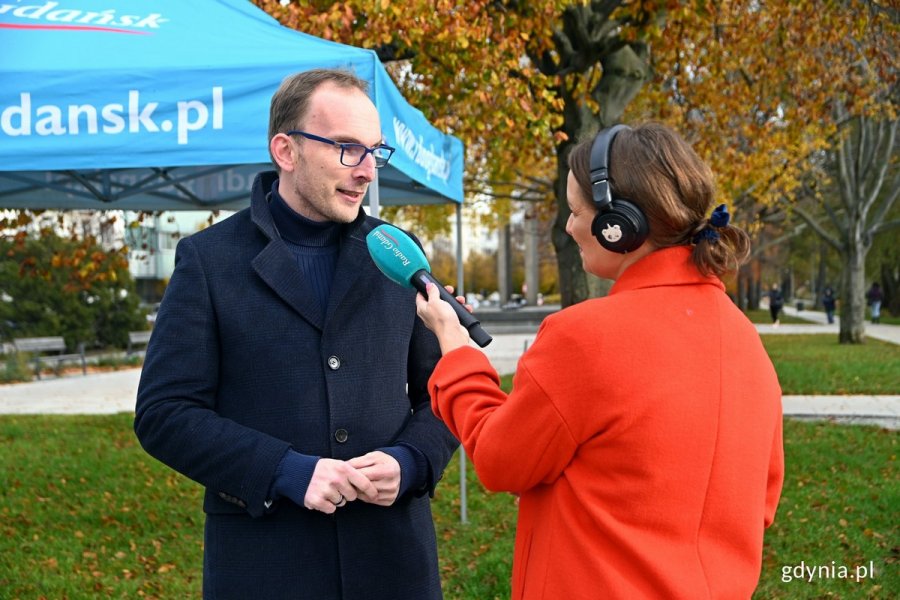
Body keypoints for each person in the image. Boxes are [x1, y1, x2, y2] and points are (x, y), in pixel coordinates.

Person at [416, 123, 784, 599]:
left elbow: (500, 460)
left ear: (621, 224)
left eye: (575, 212)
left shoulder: (585, 336)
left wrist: (453, 344)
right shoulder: (745, 339)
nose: (568, 227)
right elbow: (762, 502)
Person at [134, 69, 458, 600]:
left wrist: (413, 460)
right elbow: (165, 413)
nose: (367, 172)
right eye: (348, 150)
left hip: (393, 561)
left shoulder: (398, 253)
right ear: (286, 151)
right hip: (267, 565)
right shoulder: (209, 260)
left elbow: (444, 389)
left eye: (375, 151)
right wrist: (283, 470)